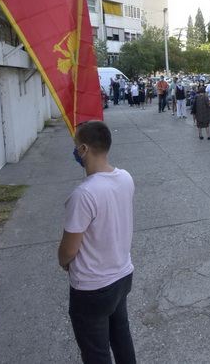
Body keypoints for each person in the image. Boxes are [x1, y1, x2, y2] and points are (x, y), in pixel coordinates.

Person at [59, 121, 136, 364]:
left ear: (83, 149)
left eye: (75, 147)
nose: (74, 152)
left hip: (92, 286)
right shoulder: (125, 177)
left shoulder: (84, 194)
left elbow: (69, 250)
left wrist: (63, 262)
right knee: (121, 335)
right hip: (122, 275)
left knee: (96, 352)